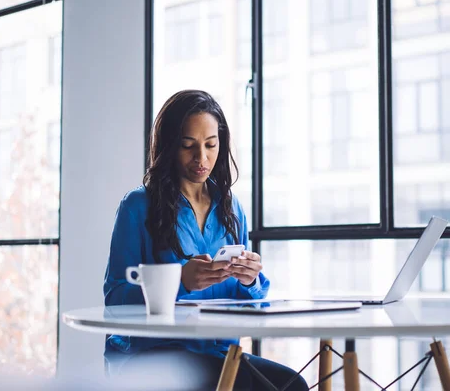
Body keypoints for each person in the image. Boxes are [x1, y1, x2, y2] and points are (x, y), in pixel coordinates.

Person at [102, 90, 308, 390]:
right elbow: (114, 299)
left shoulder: (230, 207)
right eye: (189, 146)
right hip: (153, 354)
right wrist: (180, 280)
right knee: (238, 383)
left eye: (211, 145)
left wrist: (251, 280)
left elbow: (250, 306)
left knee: (292, 385)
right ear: (170, 146)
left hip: (220, 353)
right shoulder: (137, 206)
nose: (202, 158)